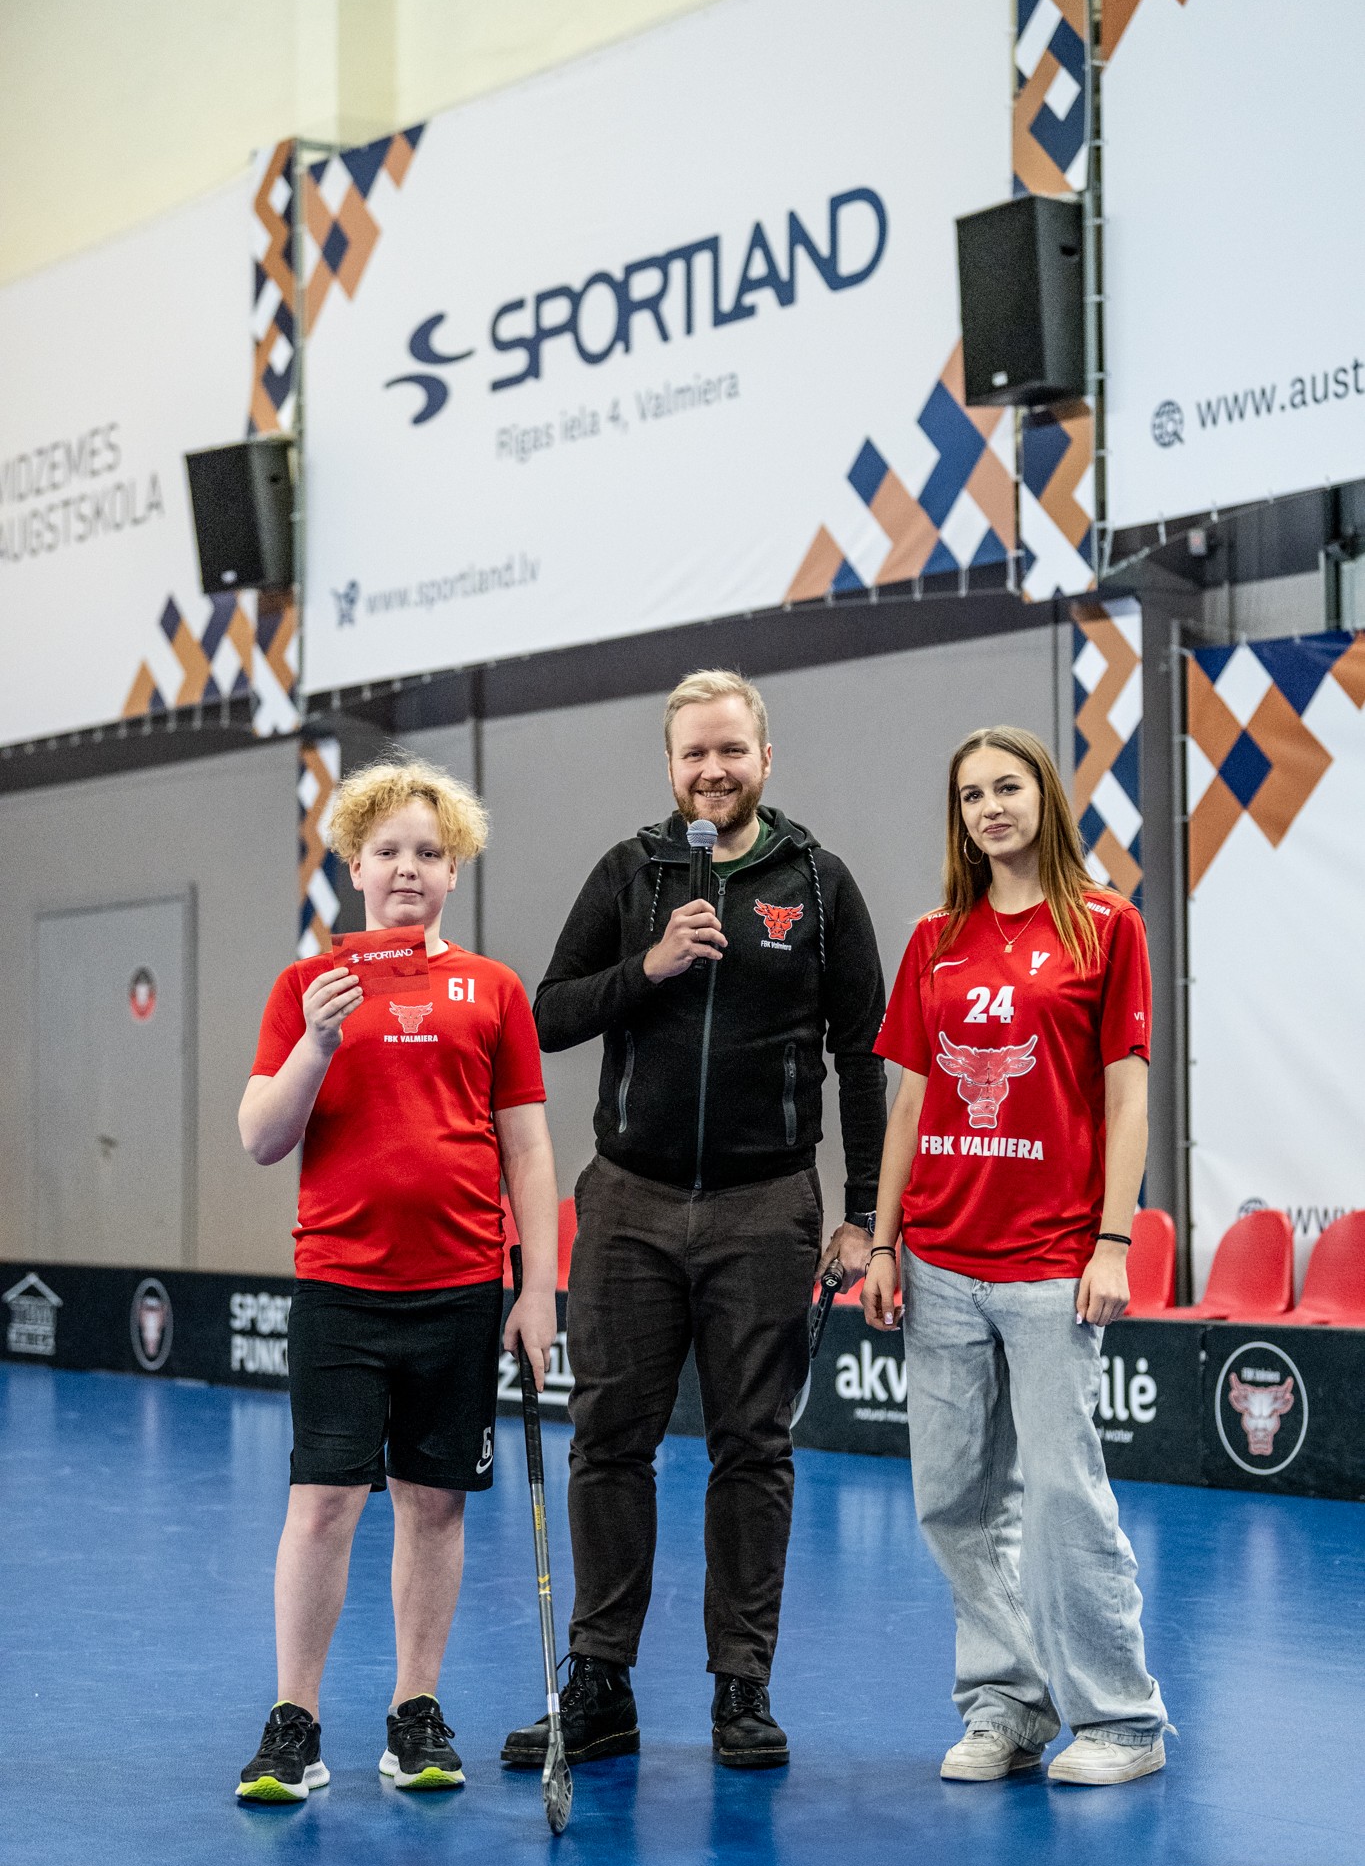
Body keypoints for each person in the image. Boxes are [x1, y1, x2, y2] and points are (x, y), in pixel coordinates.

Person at [501, 668, 886, 1773]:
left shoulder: (819, 883)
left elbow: (863, 1056)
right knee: (608, 1442)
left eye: (730, 750)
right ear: (669, 767)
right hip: (629, 1199)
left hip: (766, 1206)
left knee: (752, 1449)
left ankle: (741, 1688)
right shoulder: (631, 871)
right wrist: (650, 965)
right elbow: (545, 1014)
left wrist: (863, 1215)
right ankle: (601, 1684)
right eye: (693, 754)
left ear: (766, 757)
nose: (712, 771)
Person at [235, 757, 558, 1804]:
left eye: (429, 850)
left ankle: (415, 1711)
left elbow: (528, 1149)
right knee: (323, 1503)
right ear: (355, 865)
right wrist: (318, 1043)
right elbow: (261, 1137)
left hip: (460, 1289)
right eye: (388, 851)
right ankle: (293, 1721)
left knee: (435, 1506)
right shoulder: (307, 988)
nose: (408, 867)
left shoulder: (494, 989)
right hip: (340, 1288)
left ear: (454, 868)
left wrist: (538, 1286)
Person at [864, 725, 1169, 1786]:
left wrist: (1113, 1240)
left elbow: (1127, 1098)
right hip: (940, 1261)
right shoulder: (933, 938)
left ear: (1044, 797)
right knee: (951, 1499)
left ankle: (1122, 1720)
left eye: (1007, 787)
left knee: (1063, 1496)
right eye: (971, 794)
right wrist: (886, 1240)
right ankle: (1006, 1705)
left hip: (1051, 1263)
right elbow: (911, 1101)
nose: (990, 807)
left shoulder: (1107, 926)